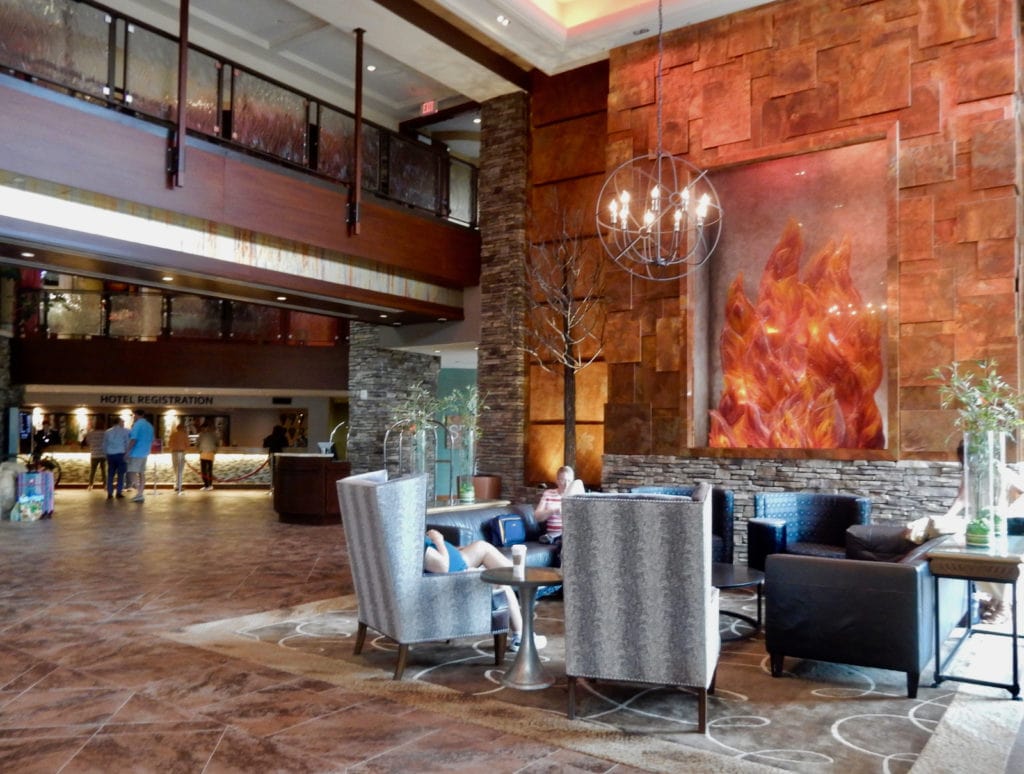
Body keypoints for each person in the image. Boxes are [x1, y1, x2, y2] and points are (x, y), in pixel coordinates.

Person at [423, 529, 546, 653]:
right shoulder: (414, 546)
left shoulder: (410, 538)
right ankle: (521, 638)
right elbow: (443, 567)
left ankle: (523, 578)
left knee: (483, 547)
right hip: (454, 576)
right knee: (500, 579)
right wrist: (439, 541)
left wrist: (453, 549)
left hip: (458, 562)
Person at [535, 465, 585, 546]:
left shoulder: (575, 497)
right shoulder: (548, 494)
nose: (566, 484)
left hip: (571, 534)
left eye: (569, 481)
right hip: (554, 536)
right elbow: (537, 517)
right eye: (563, 480)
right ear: (557, 481)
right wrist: (553, 511)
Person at [126, 408, 154, 503]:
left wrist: (127, 452)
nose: (133, 417)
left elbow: (133, 440)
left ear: (137, 415)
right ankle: (139, 493)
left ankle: (139, 492)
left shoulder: (137, 425)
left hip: (136, 452)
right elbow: (152, 439)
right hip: (145, 452)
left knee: (131, 472)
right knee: (142, 473)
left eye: (134, 415)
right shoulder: (150, 426)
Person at [103, 417, 130, 499]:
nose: (123, 423)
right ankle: (119, 492)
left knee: (110, 474)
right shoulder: (125, 431)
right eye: (122, 422)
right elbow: (127, 443)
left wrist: (105, 454)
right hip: (121, 454)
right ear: (118, 422)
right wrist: (127, 453)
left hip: (110, 454)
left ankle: (109, 493)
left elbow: (104, 444)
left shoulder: (107, 432)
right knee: (121, 474)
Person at [263, 424, 289, 490]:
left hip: (271, 456)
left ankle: (273, 487)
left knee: (273, 473)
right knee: (280, 473)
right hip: (280, 457)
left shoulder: (270, 437)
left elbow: (264, 445)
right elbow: (286, 446)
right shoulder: (283, 438)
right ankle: (280, 487)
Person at [84, 418, 107, 491]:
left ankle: (90, 485)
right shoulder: (105, 433)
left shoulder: (91, 433)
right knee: (104, 471)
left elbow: (87, 442)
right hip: (103, 454)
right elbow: (108, 442)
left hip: (94, 454)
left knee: (93, 471)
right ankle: (105, 485)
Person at [168, 421, 189, 494]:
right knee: (180, 470)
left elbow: (169, 444)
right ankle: (179, 486)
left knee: (175, 469)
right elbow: (187, 445)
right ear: (182, 428)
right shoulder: (184, 434)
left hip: (174, 453)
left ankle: (175, 485)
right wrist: (185, 451)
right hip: (181, 452)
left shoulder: (173, 434)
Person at [197, 422, 219, 490]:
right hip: (210, 454)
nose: (203, 429)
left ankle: (206, 485)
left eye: (203, 428)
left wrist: (199, 450)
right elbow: (217, 443)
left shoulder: (201, 435)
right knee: (209, 470)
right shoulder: (214, 434)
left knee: (204, 471)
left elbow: (197, 444)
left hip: (203, 454)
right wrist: (215, 451)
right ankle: (210, 485)